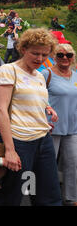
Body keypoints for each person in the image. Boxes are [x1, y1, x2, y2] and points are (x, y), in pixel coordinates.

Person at [0, 28, 61, 206]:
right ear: (23, 49)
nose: (40, 59)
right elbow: (1, 109)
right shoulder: (8, 70)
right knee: (11, 193)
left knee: (48, 192)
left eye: (45, 54)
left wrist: (47, 109)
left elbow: (34, 100)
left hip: (43, 139)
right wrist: (10, 150)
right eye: (35, 53)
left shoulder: (39, 76)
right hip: (19, 140)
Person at [42, 44, 77, 206]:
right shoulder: (46, 74)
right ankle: (47, 197)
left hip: (73, 128)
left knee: (73, 164)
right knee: (48, 165)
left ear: (73, 57)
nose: (65, 58)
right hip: (51, 128)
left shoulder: (76, 76)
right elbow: (38, 98)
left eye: (68, 55)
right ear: (54, 56)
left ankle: (71, 198)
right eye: (61, 55)